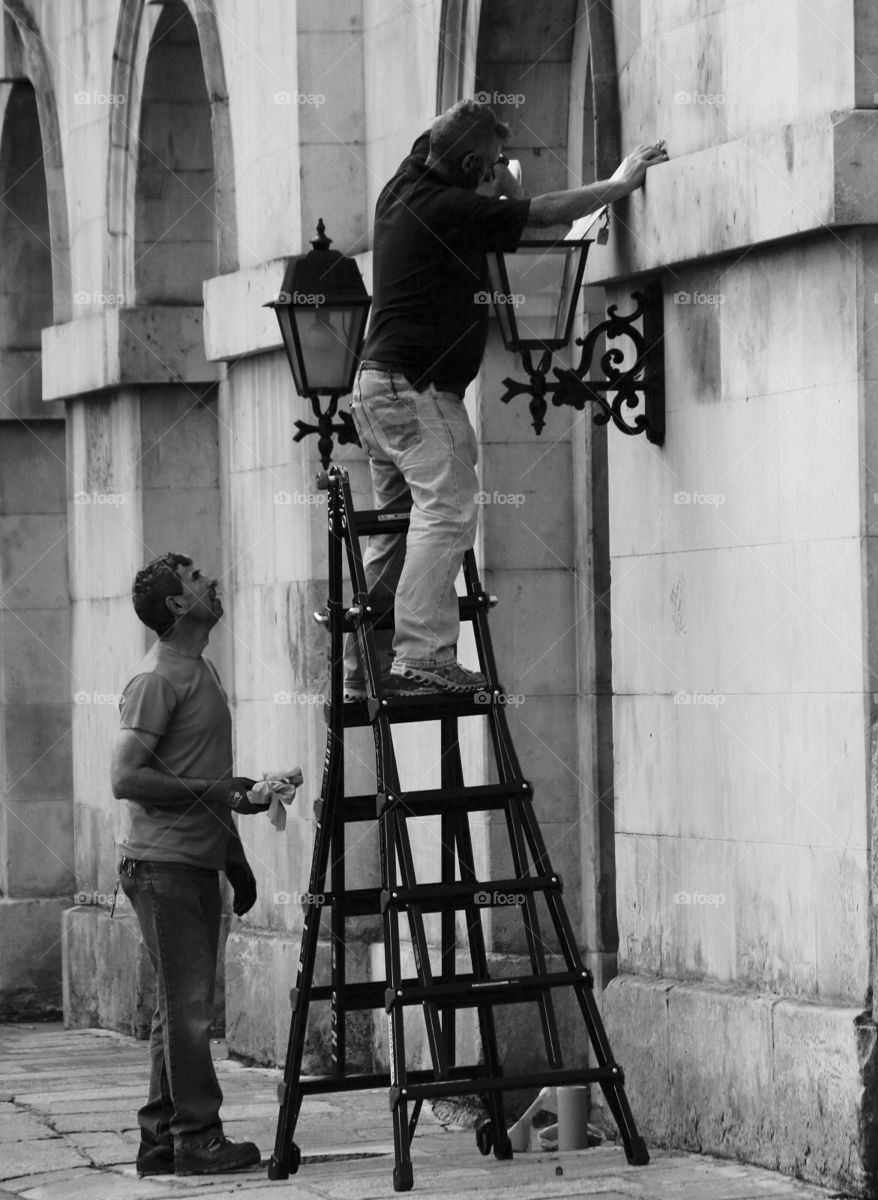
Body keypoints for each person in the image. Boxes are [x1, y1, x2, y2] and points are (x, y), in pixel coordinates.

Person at [346, 98, 667, 700]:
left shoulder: (406, 182)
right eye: (492, 163)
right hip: (418, 392)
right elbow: (542, 212)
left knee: (394, 533)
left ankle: (366, 664)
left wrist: (491, 147)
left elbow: (444, 133)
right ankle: (423, 655)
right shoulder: (448, 208)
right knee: (447, 511)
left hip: (377, 391)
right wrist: (619, 184)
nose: (499, 172)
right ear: (468, 164)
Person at [111, 552, 267, 1177]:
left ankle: (159, 1139)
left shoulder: (201, 669)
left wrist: (235, 856)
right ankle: (198, 1137)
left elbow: (204, 773)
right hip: (161, 868)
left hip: (194, 865)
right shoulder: (157, 678)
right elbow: (127, 777)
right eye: (198, 578)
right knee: (191, 1011)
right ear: (178, 605)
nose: (213, 581)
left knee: (175, 1010)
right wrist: (224, 792)